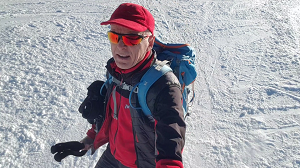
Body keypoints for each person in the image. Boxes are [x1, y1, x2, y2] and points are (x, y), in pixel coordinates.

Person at [52, 3, 186, 168]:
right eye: (115, 37)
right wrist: (89, 139)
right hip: (113, 158)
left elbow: (171, 139)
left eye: (132, 38)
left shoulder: (164, 86)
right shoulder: (115, 73)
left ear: (150, 41)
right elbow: (112, 117)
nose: (121, 46)